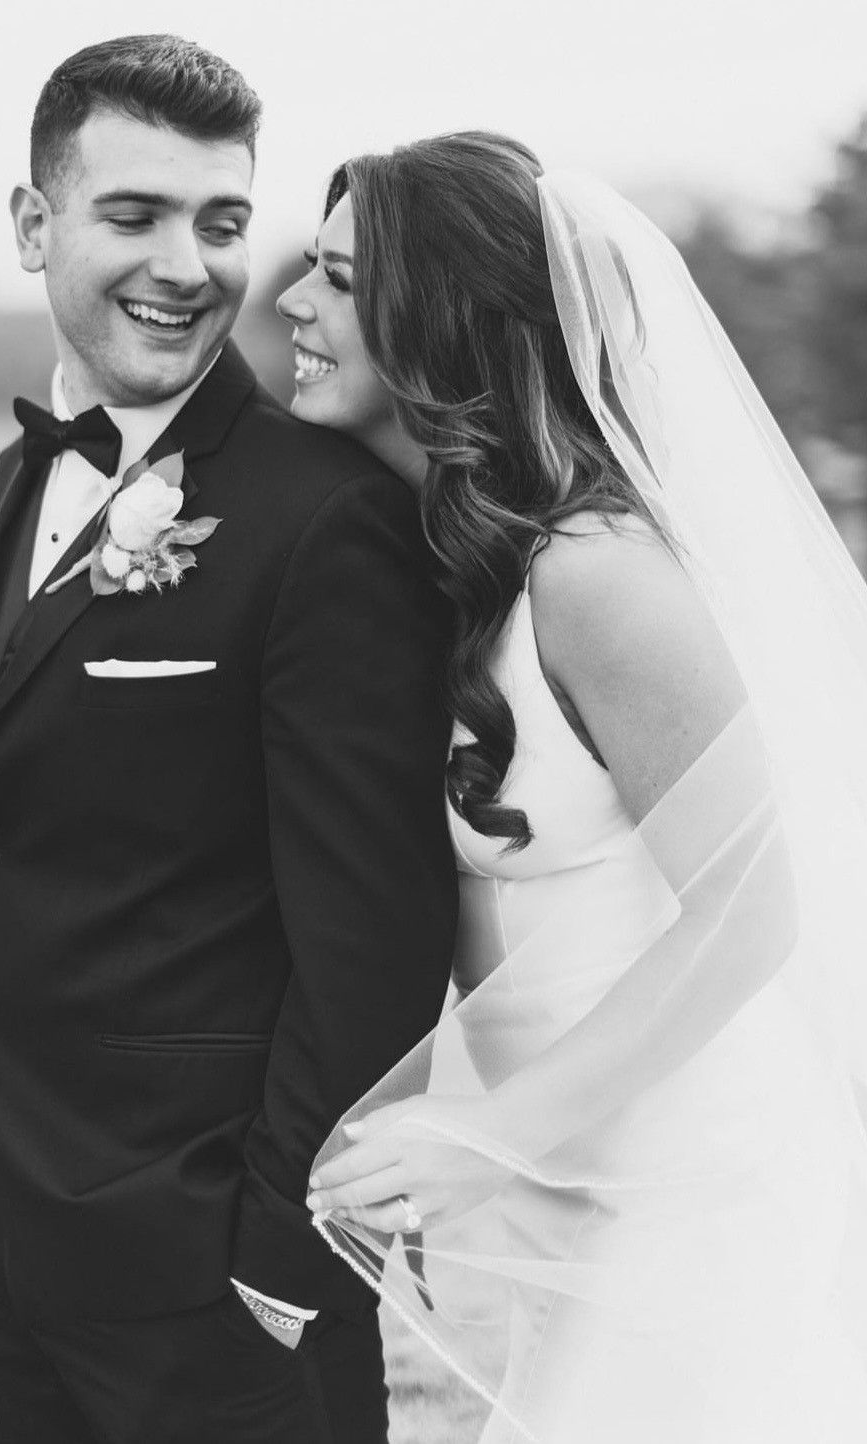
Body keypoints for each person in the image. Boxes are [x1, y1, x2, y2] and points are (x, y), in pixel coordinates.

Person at [0, 36, 458, 1444]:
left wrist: (281, 1259)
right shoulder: (8, 484)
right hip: (6, 1220)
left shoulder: (328, 522)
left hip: (220, 1279)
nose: (188, 264)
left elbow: (375, 934)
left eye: (220, 221)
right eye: (133, 215)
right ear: (35, 226)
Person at [278, 132, 867, 1440]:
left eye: (332, 280)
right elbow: (501, 933)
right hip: (586, 1206)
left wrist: (490, 1136)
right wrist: (383, 1123)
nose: (288, 305)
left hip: (702, 1204)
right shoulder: (467, 573)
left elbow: (749, 909)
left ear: (436, 317)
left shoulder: (600, 580)